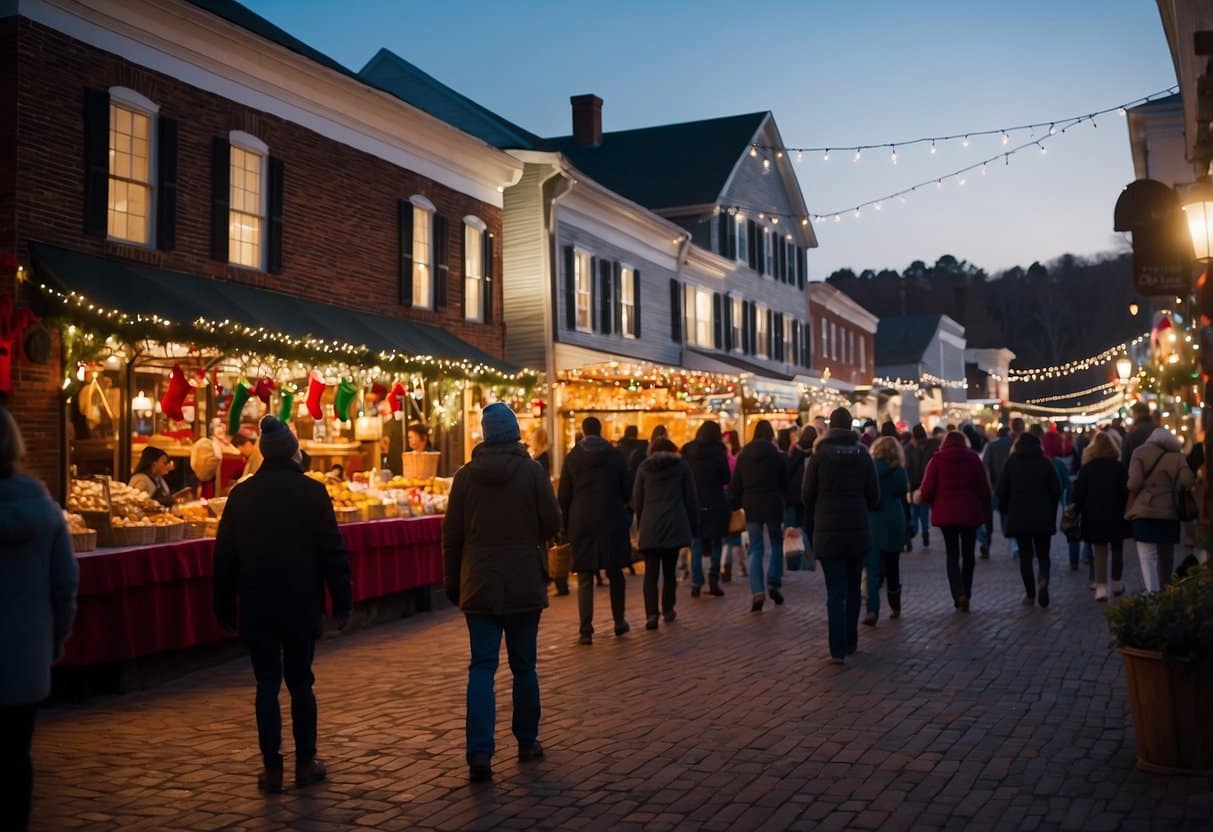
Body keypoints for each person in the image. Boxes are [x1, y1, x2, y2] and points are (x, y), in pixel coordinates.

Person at [213, 415, 352, 793]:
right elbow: (332, 552)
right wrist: (342, 601)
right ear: (293, 451)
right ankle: (305, 764)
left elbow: (224, 556)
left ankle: (272, 769)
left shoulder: (242, 495)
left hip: (257, 603)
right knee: (301, 681)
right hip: (300, 602)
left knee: (266, 685)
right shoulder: (312, 492)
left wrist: (224, 604)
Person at [442, 403, 560, 782]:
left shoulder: (465, 477)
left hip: (479, 581)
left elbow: (452, 536)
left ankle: (479, 750)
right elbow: (553, 522)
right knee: (524, 666)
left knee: (482, 666)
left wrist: (452, 582)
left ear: (485, 435)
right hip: (524, 578)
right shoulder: (532, 472)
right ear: (514, 434)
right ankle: (527, 741)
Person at [0, 407, 78, 832]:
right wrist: (54, 641)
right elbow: (64, 587)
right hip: (22, 663)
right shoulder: (43, 508)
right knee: (15, 759)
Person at [803, 407, 879, 664]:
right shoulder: (863, 455)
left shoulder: (819, 455)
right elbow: (874, 495)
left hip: (827, 529)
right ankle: (851, 640)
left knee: (835, 592)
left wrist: (818, 512)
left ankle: (837, 650)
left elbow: (807, 493)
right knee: (853, 587)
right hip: (857, 528)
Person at [558, 417, 632, 644]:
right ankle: (619, 621)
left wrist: (564, 525)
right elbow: (627, 489)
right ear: (601, 431)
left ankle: (586, 629)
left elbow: (564, 496)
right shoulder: (616, 456)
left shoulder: (573, 458)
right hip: (611, 518)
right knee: (615, 572)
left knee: (585, 576)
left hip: (582, 520)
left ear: (583, 430)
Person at [920, 431, 990, 611]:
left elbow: (927, 490)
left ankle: (958, 594)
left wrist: (934, 502)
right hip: (970, 511)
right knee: (968, 554)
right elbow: (983, 488)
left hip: (946, 513)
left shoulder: (937, 460)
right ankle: (966, 591)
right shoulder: (973, 459)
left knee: (952, 555)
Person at [633, 437, 698, 630]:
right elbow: (691, 497)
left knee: (651, 572)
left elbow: (638, 499)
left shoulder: (644, 468)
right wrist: (692, 525)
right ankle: (668, 609)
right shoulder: (681, 467)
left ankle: (651, 614)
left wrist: (641, 522)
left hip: (650, 523)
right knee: (670, 570)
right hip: (674, 522)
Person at [1126, 425, 1195, 592]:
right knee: (1166, 555)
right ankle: (1165, 590)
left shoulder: (1139, 452)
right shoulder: (1177, 457)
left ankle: (1152, 593)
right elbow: (1187, 481)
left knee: (1147, 556)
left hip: (1144, 510)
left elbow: (1134, 484)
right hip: (1169, 510)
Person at [730, 420, 789, 612]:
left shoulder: (744, 455)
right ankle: (773, 581)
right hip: (773, 503)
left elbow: (736, 483)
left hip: (752, 505)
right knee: (776, 544)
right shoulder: (778, 455)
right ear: (770, 434)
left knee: (756, 549)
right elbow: (784, 482)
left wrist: (736, 503)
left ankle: (757, 591)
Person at [997, 431, 1061, 608]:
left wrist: (1006, 508)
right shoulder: (1045, 463)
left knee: (1025, 556)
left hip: (1019, 517)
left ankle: (1030, 594)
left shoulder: (1011, 463)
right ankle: (1043, 579)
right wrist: (1051, 509)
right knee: (1043, 555)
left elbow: (1001, 490)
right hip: (1042, 516)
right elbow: (1056, 490)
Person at [1072, 431, 1129, 601]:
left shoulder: (1088, 469)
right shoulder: (1118, 468)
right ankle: (1117, 583)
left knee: (1100, 551)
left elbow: (1077, 495)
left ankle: (1101, 587)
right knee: (1117, 548)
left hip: (1094, 515)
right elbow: (1126, 492)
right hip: (1117, 514)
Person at [682, 421, 731, 598]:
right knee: (716, 541)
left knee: (695, 544)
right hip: (715, 502)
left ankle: (696, 582)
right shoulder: (719, 452)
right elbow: (726, 477)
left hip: (694, 502)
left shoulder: (687, 451)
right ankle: (713, 577)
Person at [864, 436, 910, 624]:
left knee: (872, 568)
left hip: (873, 518)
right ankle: (895, 606)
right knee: (893, 565)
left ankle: (872, 610)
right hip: (893, 518)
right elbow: (902, 490)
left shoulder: (870, 469)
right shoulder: (898, 470)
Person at [785, 427, 817, 569]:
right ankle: (807, 558)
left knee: (791, 528)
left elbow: (788, 471)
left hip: (792, 495)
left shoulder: (795, 450)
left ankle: (793, 560)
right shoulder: (816, 453)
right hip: (808, 496)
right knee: (806, 527)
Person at [981, 426, 1014, 557]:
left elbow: (985, 467)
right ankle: (1010, 537)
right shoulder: (1013, 445)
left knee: (988, 518)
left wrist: (989, 486)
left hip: (994, 486)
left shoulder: (991, 446)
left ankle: (986, 544)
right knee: (1007, 513)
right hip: (1010, 488)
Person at [720, 430, 747, 582]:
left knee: (726, 538)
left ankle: (725, 566)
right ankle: (740, 566)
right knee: (735, 536)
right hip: (732, 499)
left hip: (720, 501)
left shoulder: (721, 461)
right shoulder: (733, 462)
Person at [903, 426, 931, 551]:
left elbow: (906, 468)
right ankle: (925, 531)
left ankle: (912, 532)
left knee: (914, 512)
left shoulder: (907, 449)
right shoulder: (929, 447)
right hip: (924, 484)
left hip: (912, 485)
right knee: (924, 512)